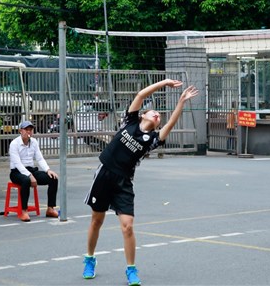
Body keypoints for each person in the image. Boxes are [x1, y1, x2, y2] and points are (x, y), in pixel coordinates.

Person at [82, 79, 199, 286]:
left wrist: (181, 101)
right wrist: (165, 83)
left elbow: (171, 123)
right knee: (96, 221)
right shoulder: (129, 122)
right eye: (153, 112)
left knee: (128, 227)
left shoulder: (152, 140)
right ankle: (90, 258)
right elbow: (141, 95)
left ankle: (131, 269)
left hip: (124, 182)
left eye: (159, 116)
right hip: (105, 174)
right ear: (143, 114)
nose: (157, 115)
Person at [8, 120, 59, 221]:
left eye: (30, 129)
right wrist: (29, 175)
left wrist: (48, 170)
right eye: (26, 129)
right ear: (20, 131)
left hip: (31, 170)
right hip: (17, 172)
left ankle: (50, 208)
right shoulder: (14, 144)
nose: (29, 132)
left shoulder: (34, 142)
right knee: (26, 180)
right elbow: (17, 163)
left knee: (53, 178)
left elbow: (40, 158)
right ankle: (24, 211)